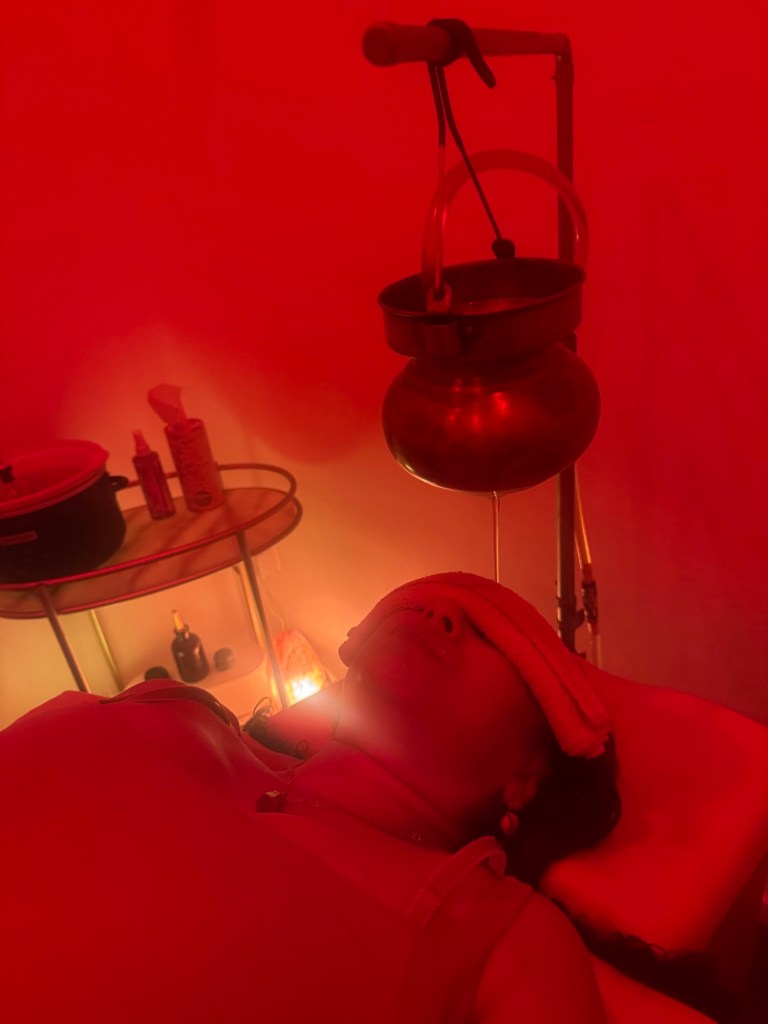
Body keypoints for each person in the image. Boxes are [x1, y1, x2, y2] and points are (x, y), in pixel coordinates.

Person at [0, 571, 720, 1022]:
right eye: (419, 604)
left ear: (528, 777)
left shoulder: (502, 935)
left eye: (496, 637)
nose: (438, 612)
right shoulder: (176, 710)